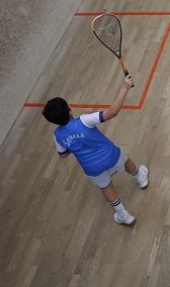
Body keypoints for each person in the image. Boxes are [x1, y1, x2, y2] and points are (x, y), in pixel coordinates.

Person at [42, 74, 148, 225]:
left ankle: (124, 215)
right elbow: (112, 112)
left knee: (106, 187)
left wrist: (74, 143)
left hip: (92, 168)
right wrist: (124, 87)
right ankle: (141, 178)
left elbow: (63, 155)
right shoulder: (84, 120)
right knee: (126, 162)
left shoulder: (57, 135)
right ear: (70, 109)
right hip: (111, 155)